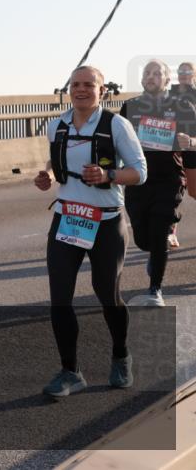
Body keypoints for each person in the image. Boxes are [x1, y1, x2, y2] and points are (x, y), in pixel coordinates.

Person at [34, 65, 146, 399]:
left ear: (102, 91)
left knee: (106, 294)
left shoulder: (117, 125)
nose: (81, 90)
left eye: (88, 85)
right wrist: (48, 178)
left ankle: (121, 354)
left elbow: (139, 172)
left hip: (106, 221)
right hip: (68, 218)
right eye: (75, 85)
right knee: (60, 299)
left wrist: (108, 175)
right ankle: (70, 371)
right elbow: (56, 165)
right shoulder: (56, 125)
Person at [119, 60, 196, 305]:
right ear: (142, 80)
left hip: (169, 179)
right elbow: (117, 141)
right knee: (143, 238)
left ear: (166, 80)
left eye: (157, 73)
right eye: (147, 73)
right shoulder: (130, 107)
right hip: (138, 179)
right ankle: (154, 249)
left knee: (160, 230)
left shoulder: (183, 106)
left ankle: (155, 290)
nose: (151, 77)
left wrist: (190, 142)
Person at [167, 61, 196, 248]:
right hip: (172, 149)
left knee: (193, 191)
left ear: (194, 74)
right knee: (171, 191)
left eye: (188, 71)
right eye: (181, 71)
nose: (184, 74)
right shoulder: (169, 94)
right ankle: (170, 231)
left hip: (193, 147)